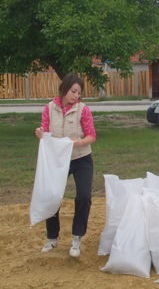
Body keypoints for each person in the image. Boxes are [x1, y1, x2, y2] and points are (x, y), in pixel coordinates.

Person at [34, 73, 96, 258]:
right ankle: (52, 238)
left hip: (81, 158)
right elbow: (45, 130)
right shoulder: (49, 108)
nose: (76, 96)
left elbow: (91, 136)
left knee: (84, 196)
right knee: (52, 196)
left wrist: (77, 142)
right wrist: (40, 132)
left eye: (79, 92)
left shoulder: (83, 110)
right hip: (58, 160)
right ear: (64, 89)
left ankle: (77, 238)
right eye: (73, 91)